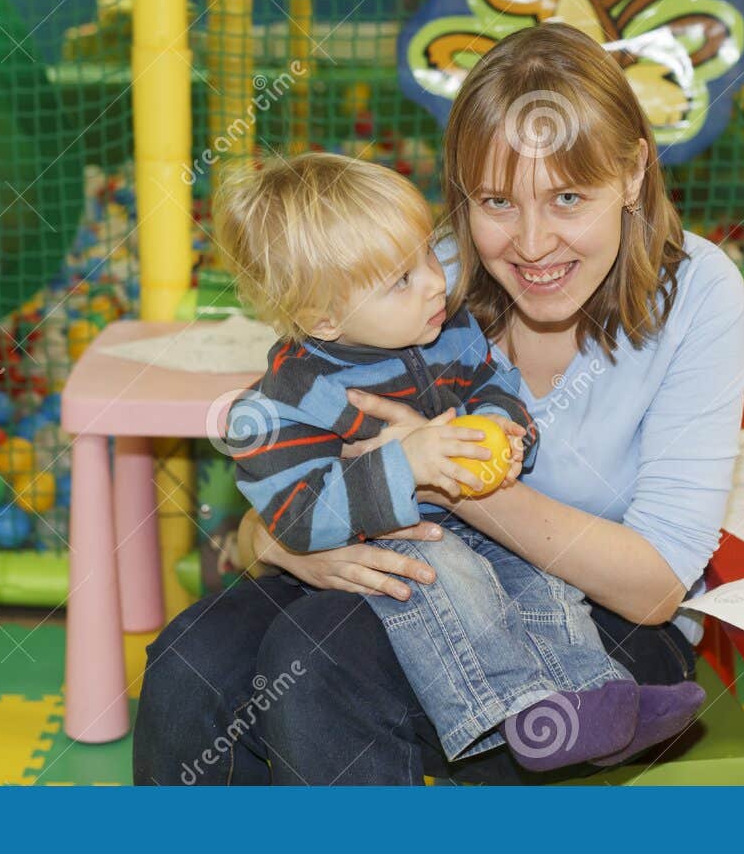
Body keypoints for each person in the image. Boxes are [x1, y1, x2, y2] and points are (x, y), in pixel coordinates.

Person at [135, 22, 744, 785]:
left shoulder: (697, 291)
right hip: (414, 557)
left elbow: (657, 586)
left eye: (567, 197)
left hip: (597, 624)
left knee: (316, 666)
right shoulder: (424, 279)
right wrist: (280, 542)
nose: (530, 243)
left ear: (631, 174)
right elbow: (294, 446)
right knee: (191, 666)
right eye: (496, 200)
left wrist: (442, 467)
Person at [211, 153, 705, 772]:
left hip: (478, 522)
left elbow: (493, 386)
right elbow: (295, 513)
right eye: (401, 279)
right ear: (323, 317)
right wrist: (408, 465)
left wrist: (504, 425)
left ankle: (599, 702)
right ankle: (517, 712)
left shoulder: (446, 332)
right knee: (452, 580)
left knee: (548, 585)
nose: (434, 280)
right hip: (400, 536)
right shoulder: (287, 398)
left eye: (425, 256)